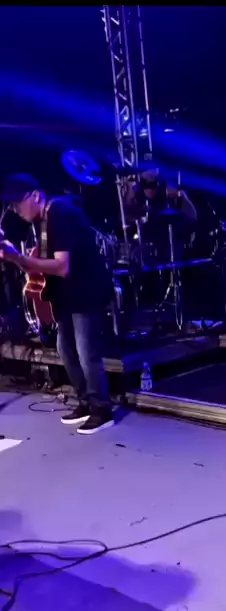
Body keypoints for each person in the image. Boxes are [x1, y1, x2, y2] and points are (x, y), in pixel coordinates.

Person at [0, 173, 114, 434]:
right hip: (68, 294)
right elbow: (42, 265)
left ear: (36, 196)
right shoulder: (42, 220)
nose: (15, 209)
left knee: (86, 352)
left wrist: (20, 259)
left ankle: (102, 409)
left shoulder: (60, 213)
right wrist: (18, 258)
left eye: (17, 202)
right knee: (65, 349)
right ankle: (86, 401)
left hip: (85, 290)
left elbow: (62, 267)